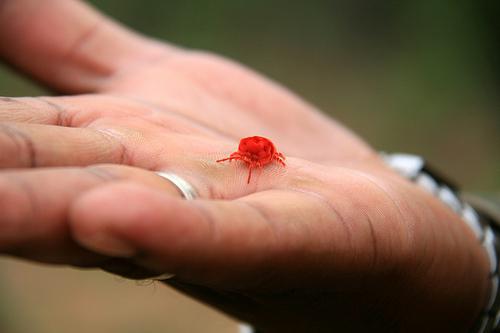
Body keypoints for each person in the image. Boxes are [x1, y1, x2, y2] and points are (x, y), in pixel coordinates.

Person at [0, 1, 498, 332]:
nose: (259, 160)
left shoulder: (264, 152)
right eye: (256, 158)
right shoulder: (250, 151)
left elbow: (265, 154)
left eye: (261, 158)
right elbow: (248, 153)